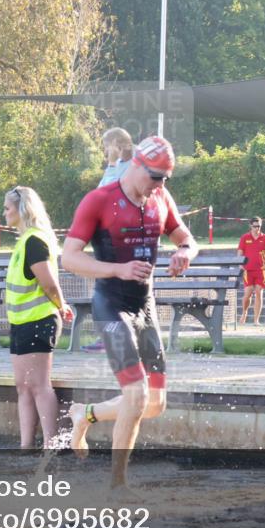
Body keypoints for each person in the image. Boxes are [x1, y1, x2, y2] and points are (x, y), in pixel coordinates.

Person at [62, 135, 198, 489]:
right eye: (155, 177)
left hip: (145, 306)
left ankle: (84, 414)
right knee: (136, 395)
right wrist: (117, 269)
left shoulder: (161, 197)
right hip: (112, 305)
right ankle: (117, 486)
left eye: (165, 179)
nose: (160, 185)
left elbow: (187, 238)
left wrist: (184, 252)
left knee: (155, 404)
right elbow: (69, 258)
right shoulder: (99, 200)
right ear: (136, 164)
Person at [3, 186, 75, 448]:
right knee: (22, 386)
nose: (4, 213)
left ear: (22, 210)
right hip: (20, 322)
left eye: (7, 208)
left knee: (39, 385)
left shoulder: (35, 240)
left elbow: (49, 283)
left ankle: (50, 444)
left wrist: (61, 305)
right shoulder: (23, 241)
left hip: (38, 320)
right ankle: (26, 446)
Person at [83, 128, 136, 353]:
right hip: (106, 238)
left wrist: (113, 164)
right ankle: (107, 337)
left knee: (115, 290)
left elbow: (114, 193)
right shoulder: (113, 167)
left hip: (123, 239)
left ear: (117, 144)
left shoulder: (132, 166)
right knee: (105, 289)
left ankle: (118, 338)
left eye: (107, 146)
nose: (105, 151)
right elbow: (99, 194)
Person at [236, 216, 265, 326]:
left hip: (261, 270)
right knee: (247, 293)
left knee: (258, 292)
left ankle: (256, 320)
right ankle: (244, 312)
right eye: (255, 226)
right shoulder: (245, 238)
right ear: (250, 226)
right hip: (248, 270)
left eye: (259, 226)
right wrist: (240, 263)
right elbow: (240, 252)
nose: (257, 228)